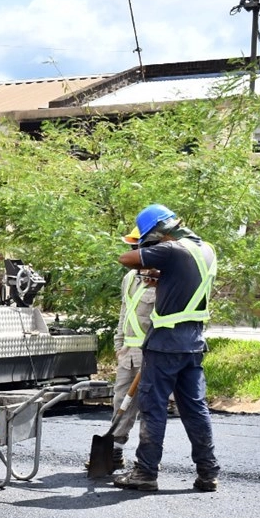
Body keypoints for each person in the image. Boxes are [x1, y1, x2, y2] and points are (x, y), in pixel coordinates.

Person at [114, 204, 220, 492]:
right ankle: (208, 472)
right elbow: (186, 284)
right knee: (195, 408)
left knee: (153, 408)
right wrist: (163, 277)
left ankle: (145, 473)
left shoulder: (172, 250)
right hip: (193, 344)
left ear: (162, 231)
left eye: (151, 238)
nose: (151, 244)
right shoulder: (207, 251)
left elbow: (127, 257)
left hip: (165, 346)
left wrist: (150, 256)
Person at [87, 227, 156, 473]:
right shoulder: (130, 278)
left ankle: (145, 465)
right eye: (131, 247)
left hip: (152, 355)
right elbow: (124, 314)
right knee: (121, 402)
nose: (132, 252)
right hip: (128, 354)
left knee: (150, 409)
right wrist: (118, 345)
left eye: (136, 247)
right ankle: (115, 452)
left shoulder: (163, 279)